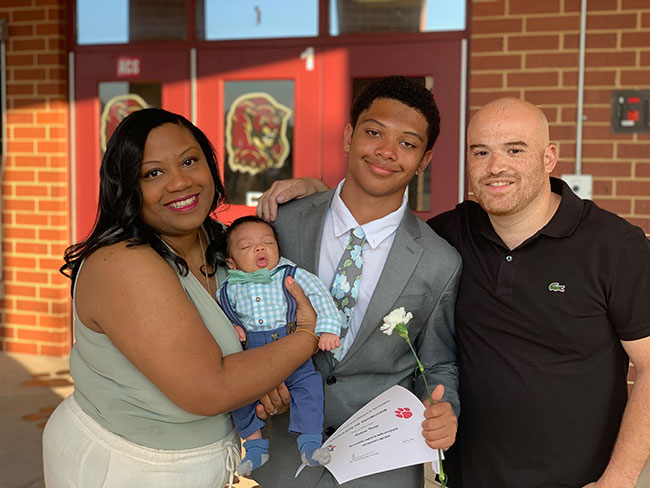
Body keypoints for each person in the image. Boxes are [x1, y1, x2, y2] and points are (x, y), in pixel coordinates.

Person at [259, 97, 650, 488]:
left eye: (515, 150)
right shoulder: (451, 237)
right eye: (481, 152)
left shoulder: (615, 246)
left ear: (549, 158)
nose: (496, 166)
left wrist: (619, 479)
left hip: (580, 481)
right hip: (469, 478)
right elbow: (370, 221)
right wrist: (318, 195)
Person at [42, 108, 321, 488]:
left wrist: (316, 194)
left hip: (197, 462)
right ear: (127, 185)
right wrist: (305, 336)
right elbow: (211, 388)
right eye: (153, 173)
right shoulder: (123, 263)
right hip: (126, 466)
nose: (179, 182)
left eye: (190, 161)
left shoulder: (221, 242)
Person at [254, 75, 462, 488]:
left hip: (379, 468)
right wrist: (255, 376)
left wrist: (444, 405)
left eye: (408, 143)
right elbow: (240, 309)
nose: (387, 152)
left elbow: (437, 361)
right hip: (283, 458)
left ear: (424, 160)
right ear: (349, 135)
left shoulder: (440, 261)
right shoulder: (283, 225)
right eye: (374, 132)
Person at [218, 215, 342, 475]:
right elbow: (221, 314)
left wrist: (328, 328)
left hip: (290, 344)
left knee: (309, 389)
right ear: (231, 262)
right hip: (252, 352)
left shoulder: (291, 275)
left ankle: (310, 444)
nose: (260, 248)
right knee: (239, 396)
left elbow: (320, 297)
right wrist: (233, 325)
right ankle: (254, 447)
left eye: (267, 242)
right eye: (246, 247)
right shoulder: (228, 287)